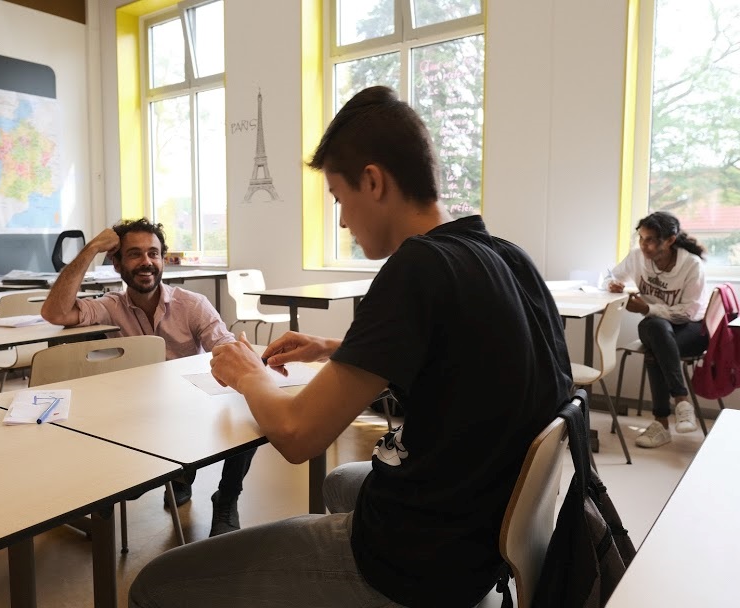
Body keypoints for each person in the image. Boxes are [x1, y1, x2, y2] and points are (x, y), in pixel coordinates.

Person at [128, 86, 573, 608]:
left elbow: (296, 437)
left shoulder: (416, 266)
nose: (341, 221)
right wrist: (337, 346)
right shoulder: (502, 254)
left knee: (152, 586)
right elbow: (469, 358)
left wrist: (249, 371)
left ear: (373, 181)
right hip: (485, 529)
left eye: (339, 200)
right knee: (341, 483)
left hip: (420, 559)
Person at [41, 218, 255, 536]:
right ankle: (176, 477)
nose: (146, 263)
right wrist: (91, 249)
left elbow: (223, 347)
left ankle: (226, 497)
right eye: (135, 254)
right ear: (117, 264)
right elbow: (55, 314)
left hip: (189, 408)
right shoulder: (110, 306)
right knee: (124, 491)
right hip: (135, 418)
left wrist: (245, 367)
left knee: (247, 407)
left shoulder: (192, 305)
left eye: (153, 254)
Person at [604, 211, 709, 449]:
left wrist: (647, 308)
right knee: (657, 329)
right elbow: (609, 275)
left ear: (670, 240)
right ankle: (681, 402)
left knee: (656, 343)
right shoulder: (636, 257)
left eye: (650, 239)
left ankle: (661, 423)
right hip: (658, 328)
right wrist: (612, 284)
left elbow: (688, 313)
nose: (644, 245)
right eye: (641, 238)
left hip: (692, 330)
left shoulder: (691, 265)